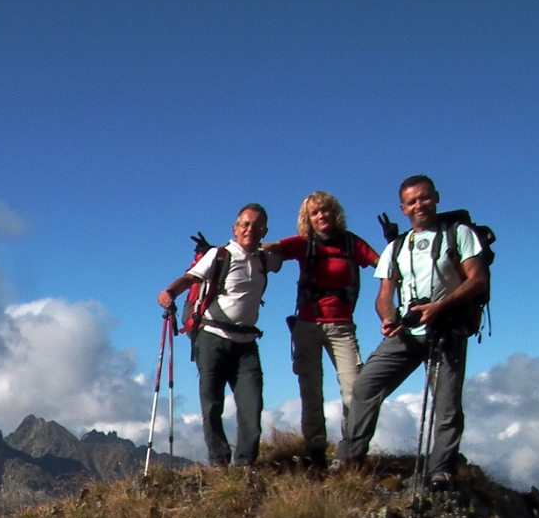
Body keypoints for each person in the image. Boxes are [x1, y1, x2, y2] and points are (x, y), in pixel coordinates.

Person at [334, 176, 488, 485]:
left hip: (447, 328)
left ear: (437, 198)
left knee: (445, 405)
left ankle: (440, 469)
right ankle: (349, 457)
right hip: (408, 330)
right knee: (365, 386)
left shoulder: (459, 235)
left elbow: (478, 279)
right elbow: (383, 295)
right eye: (412, 201)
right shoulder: (396, 247)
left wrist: (439, 308)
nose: (420, 205)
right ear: (403, 208)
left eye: (425, 198)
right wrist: (388, 317)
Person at [158, 204, 282, 466]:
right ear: (234, 229)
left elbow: (282, 255)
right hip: (212, 338)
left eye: (257, 225)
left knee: (252, 405)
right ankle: (220, 462)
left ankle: (246, 464)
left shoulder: (264, 259)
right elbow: (190, 278)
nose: (250, 229)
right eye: (245, 224)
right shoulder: (219, 255)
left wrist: (264, 245)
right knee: (212, 404)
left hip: (246, 342)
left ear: (264, 231)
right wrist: (169, 292)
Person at [267, 193, 380, 467]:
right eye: (315, 213)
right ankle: (316, 451)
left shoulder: (352, 243)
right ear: (308, 219)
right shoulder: (304, 244)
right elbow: (270, 249)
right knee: (311, 391)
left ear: (335, 213)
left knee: (355, 389)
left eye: (325, 211)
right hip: (307, 325)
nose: (321, 217)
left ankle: (350, 449)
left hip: (341, 326)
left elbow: (382, 263)